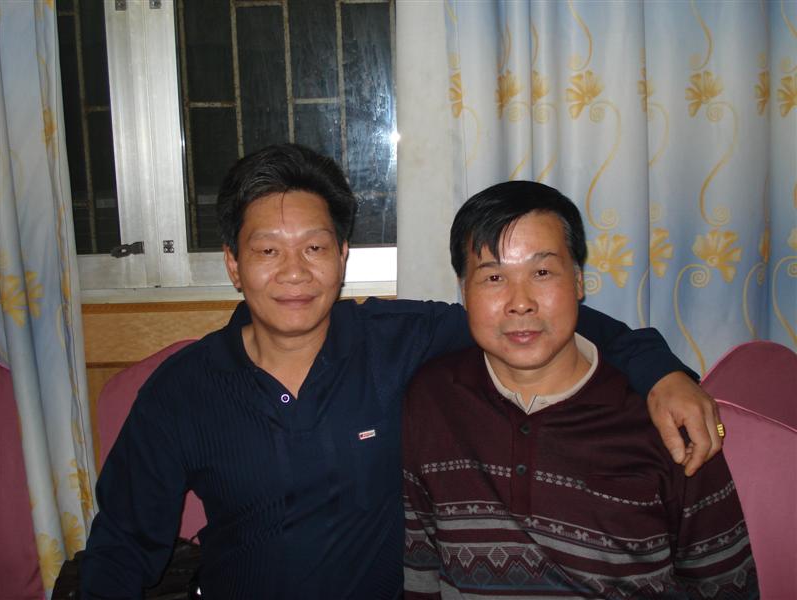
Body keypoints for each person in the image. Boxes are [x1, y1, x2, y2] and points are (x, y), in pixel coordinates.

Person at [82, 145, 722, 599]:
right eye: (267, 251)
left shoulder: (397, 342)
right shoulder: (182, 389)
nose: (294, 272)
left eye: (314, 247)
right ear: (232, 264)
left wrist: (661, 373)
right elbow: (123, 546)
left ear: (343, 257)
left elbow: (537, 316)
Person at [402, 181, 757, 598]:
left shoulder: (667, 415)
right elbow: (420, 570)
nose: (520, 302)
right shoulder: (431, 400)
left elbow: (725, 585)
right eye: (494, 277)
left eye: (542, 272)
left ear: (578, 281)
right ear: (464, 291)